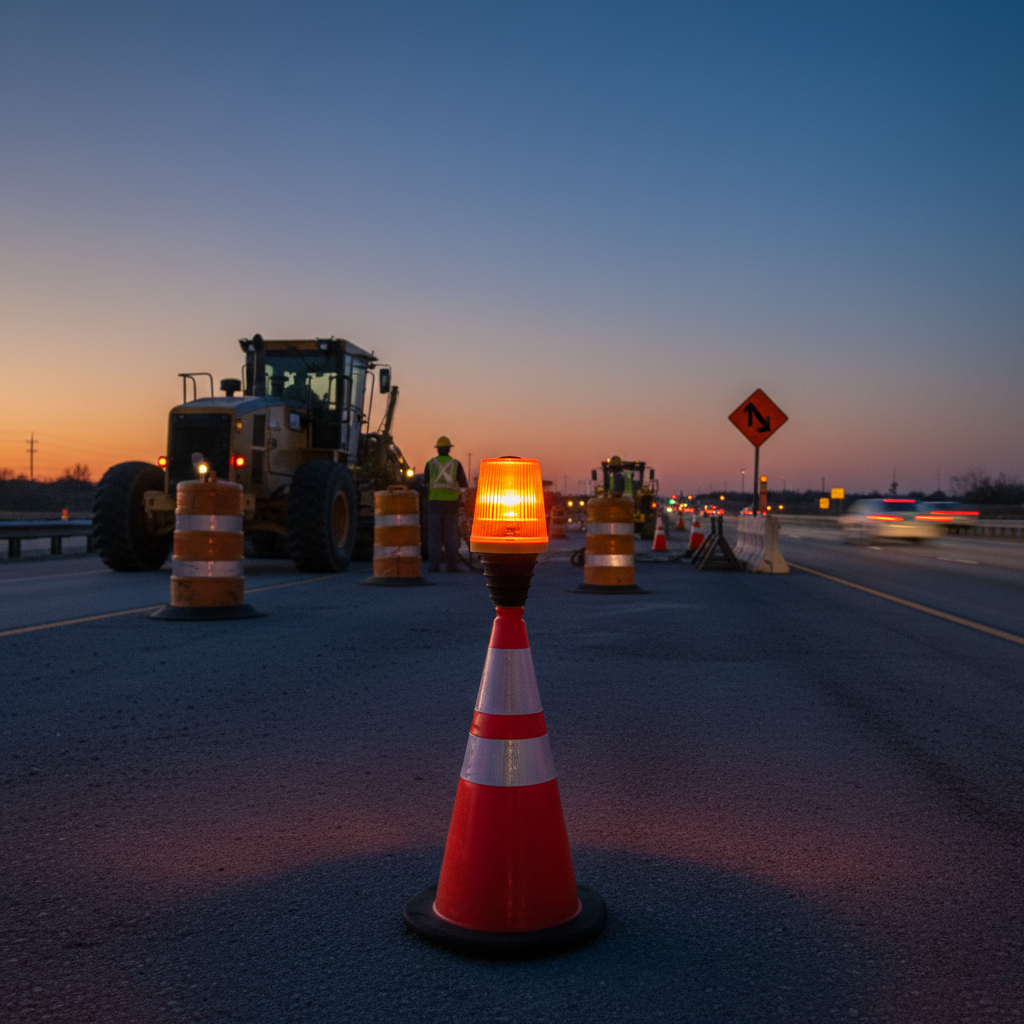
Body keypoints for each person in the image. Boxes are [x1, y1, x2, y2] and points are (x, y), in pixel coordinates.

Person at [425, 435, 467, 573]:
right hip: (451, 504)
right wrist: (462, 501)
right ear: (449, 449)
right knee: (451, 536)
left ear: (437, 450)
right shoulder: (456, 464)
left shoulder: (430, 464)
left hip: (435, 504)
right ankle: (452, 566)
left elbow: (425, 484)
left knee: (434, 537)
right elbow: (463, 486)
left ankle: (434, 566)